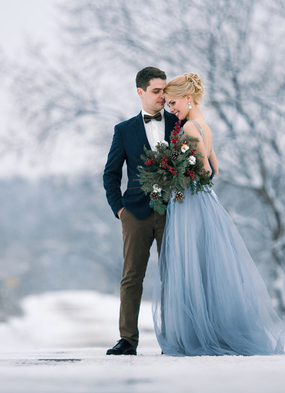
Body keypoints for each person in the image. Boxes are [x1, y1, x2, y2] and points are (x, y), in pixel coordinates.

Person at [153, 72, 285, 356]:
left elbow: (203, 170)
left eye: (173, 103)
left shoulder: (189, 127)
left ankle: (200, 334)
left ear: (188, 98)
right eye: (167, 105)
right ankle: (209, 327)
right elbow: (216, 170)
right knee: (205, 263)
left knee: (192, 264)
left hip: (190, 200)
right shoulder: (203, 125)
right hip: (202, 198)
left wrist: (173, 172)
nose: (170, 109)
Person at [103, 66, 179, 355]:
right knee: (132, 276)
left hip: (174, 211)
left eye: (164, 91)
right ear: (141, 92)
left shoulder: (179, 124)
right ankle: (128, 340)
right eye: (156, 91)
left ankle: (174, 338)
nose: (162, 97)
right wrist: (120, 210)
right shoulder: (123, 130)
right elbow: (110, 174)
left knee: (174, 275)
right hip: (135, 212)